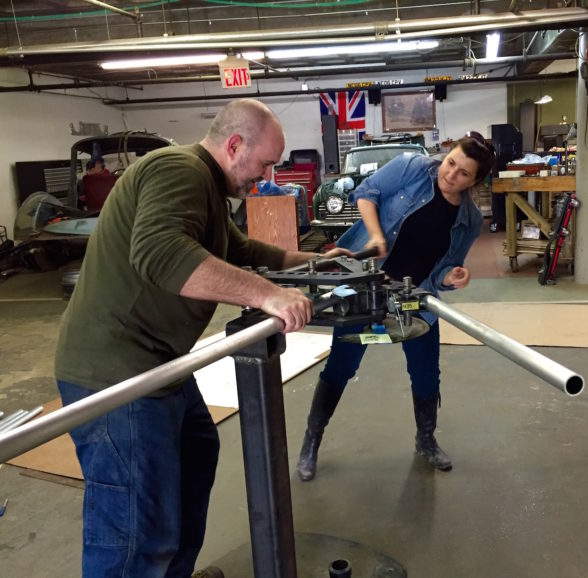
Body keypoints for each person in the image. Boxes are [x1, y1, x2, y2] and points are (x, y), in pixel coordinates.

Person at [55, 99, 346, 578]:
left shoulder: (207, 187)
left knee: (194, 456)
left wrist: (315, 263)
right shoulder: (178, 169)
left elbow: (239, 249)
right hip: (114, 375)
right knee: (136, 529)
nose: (267, 174)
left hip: (157, 364)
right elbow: (162, 254)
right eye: (266, 163)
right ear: (234, 146)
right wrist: (269, 295)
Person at [296, 132, 496, 481]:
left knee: (425, 372)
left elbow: (447, 266)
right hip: (364, 283)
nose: (451, 174)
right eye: (451, 162)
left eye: (464, 173)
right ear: (445, 155)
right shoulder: (412, 168)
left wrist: (453, 276)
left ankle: (426, 440)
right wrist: (376, 235)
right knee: (341, 365)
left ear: (475, 181)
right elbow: (366, 193)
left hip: (414, 295)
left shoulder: (470, 221)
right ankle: (312, 440)